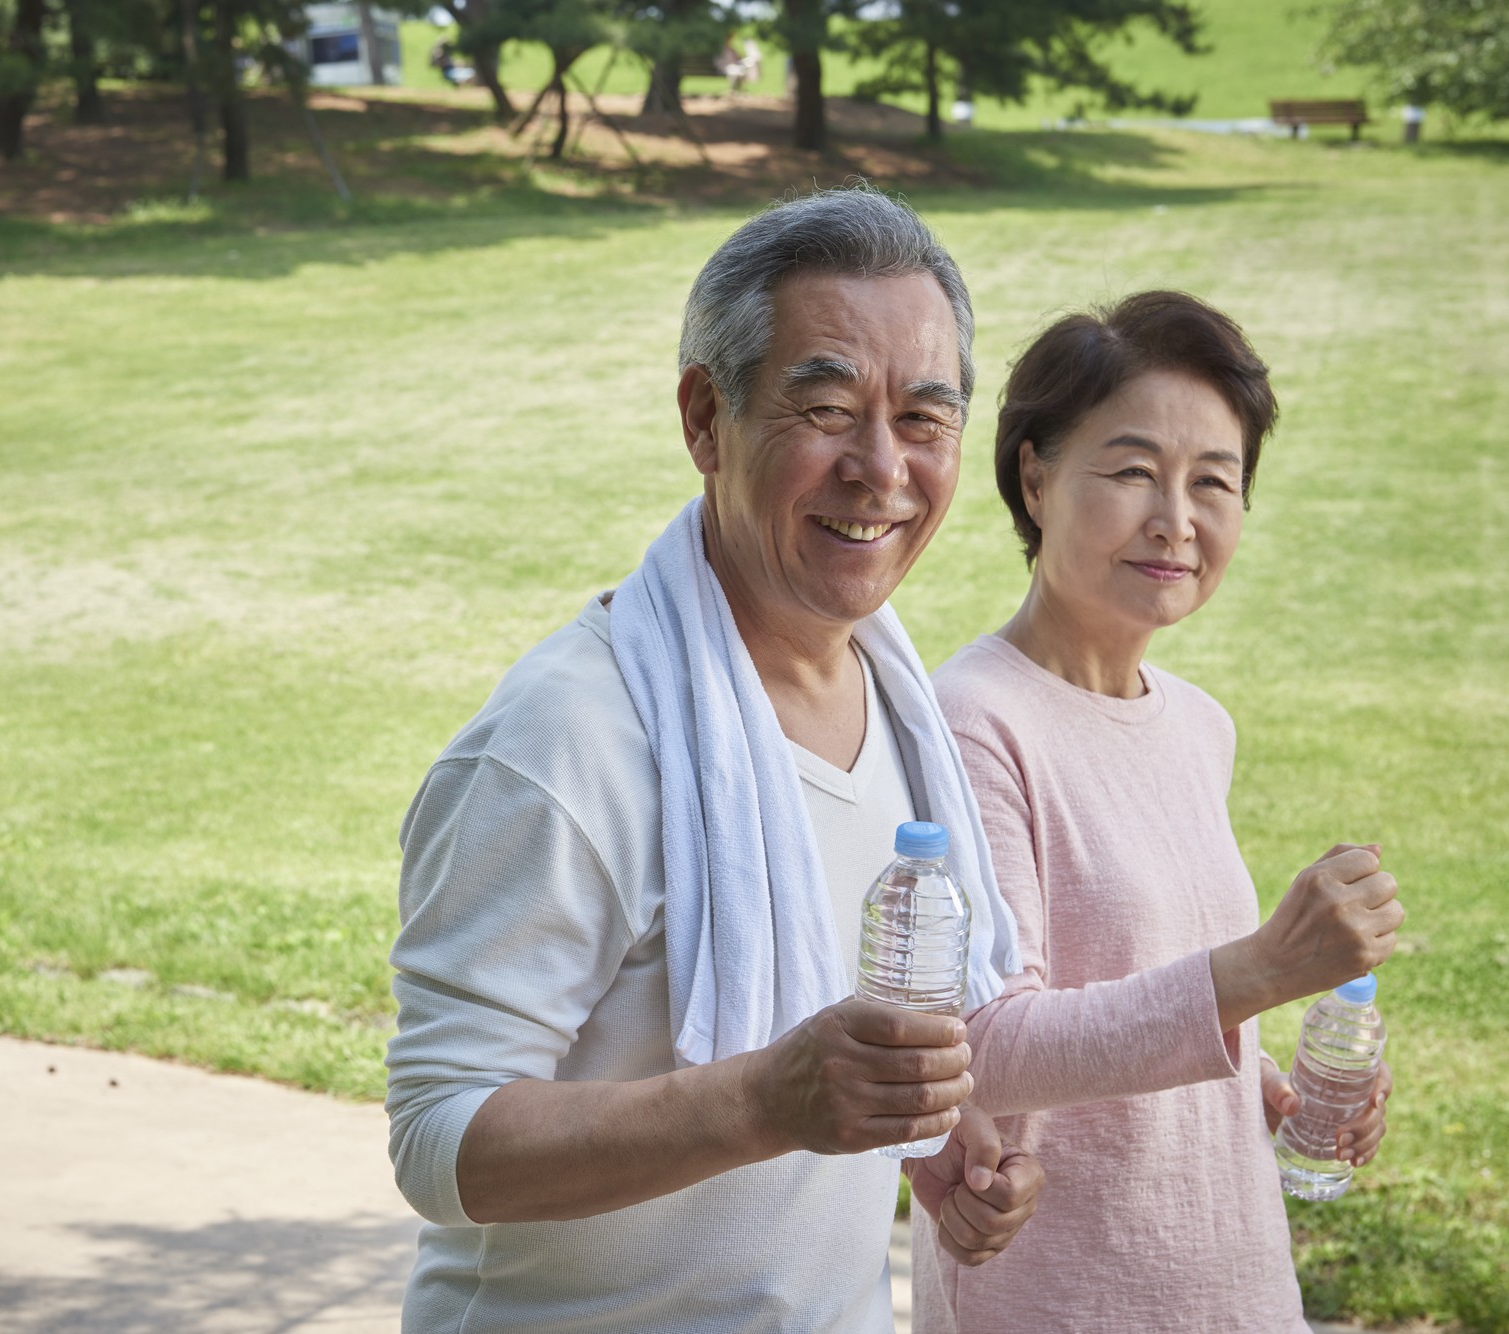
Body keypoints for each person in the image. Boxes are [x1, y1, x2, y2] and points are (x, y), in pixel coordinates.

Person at [386, 188, 1046, 1332]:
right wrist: (764, 1100)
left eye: (924, 419)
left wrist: (921, 1144)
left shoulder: (897, 704)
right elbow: (439, 1139)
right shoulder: (566, 739)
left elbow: (813, 1079)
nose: (881, 469)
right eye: (828, 407)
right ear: (704, 417)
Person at [916, 291, 1402, 1333]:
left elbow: (1152, 994)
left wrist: (1271, 1086)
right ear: (1035, 475)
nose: (1175, 519)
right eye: (1132, 470)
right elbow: (978, 1045)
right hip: (1064, 1298)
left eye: (1212, 481)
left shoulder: (1195, 724)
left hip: (1233, 1288)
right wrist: (1262, 969)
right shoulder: (970, 721)